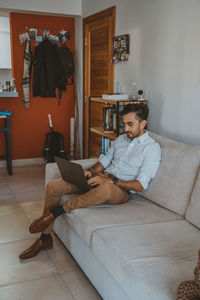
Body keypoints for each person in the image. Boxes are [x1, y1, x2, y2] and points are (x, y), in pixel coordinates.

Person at [19, 103, 161, 259]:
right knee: (54, 186)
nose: (125, 129)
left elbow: (140, 185)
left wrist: (109, 180)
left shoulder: (151, 149)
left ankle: (57, 212)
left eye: (130, 124)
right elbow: (105, 160)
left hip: (120, 189)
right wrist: (91, 171)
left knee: (106, 188)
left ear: (143, 123)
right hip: (102, 179)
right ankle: (45, 239)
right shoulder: (121, 139)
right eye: (124, 124)